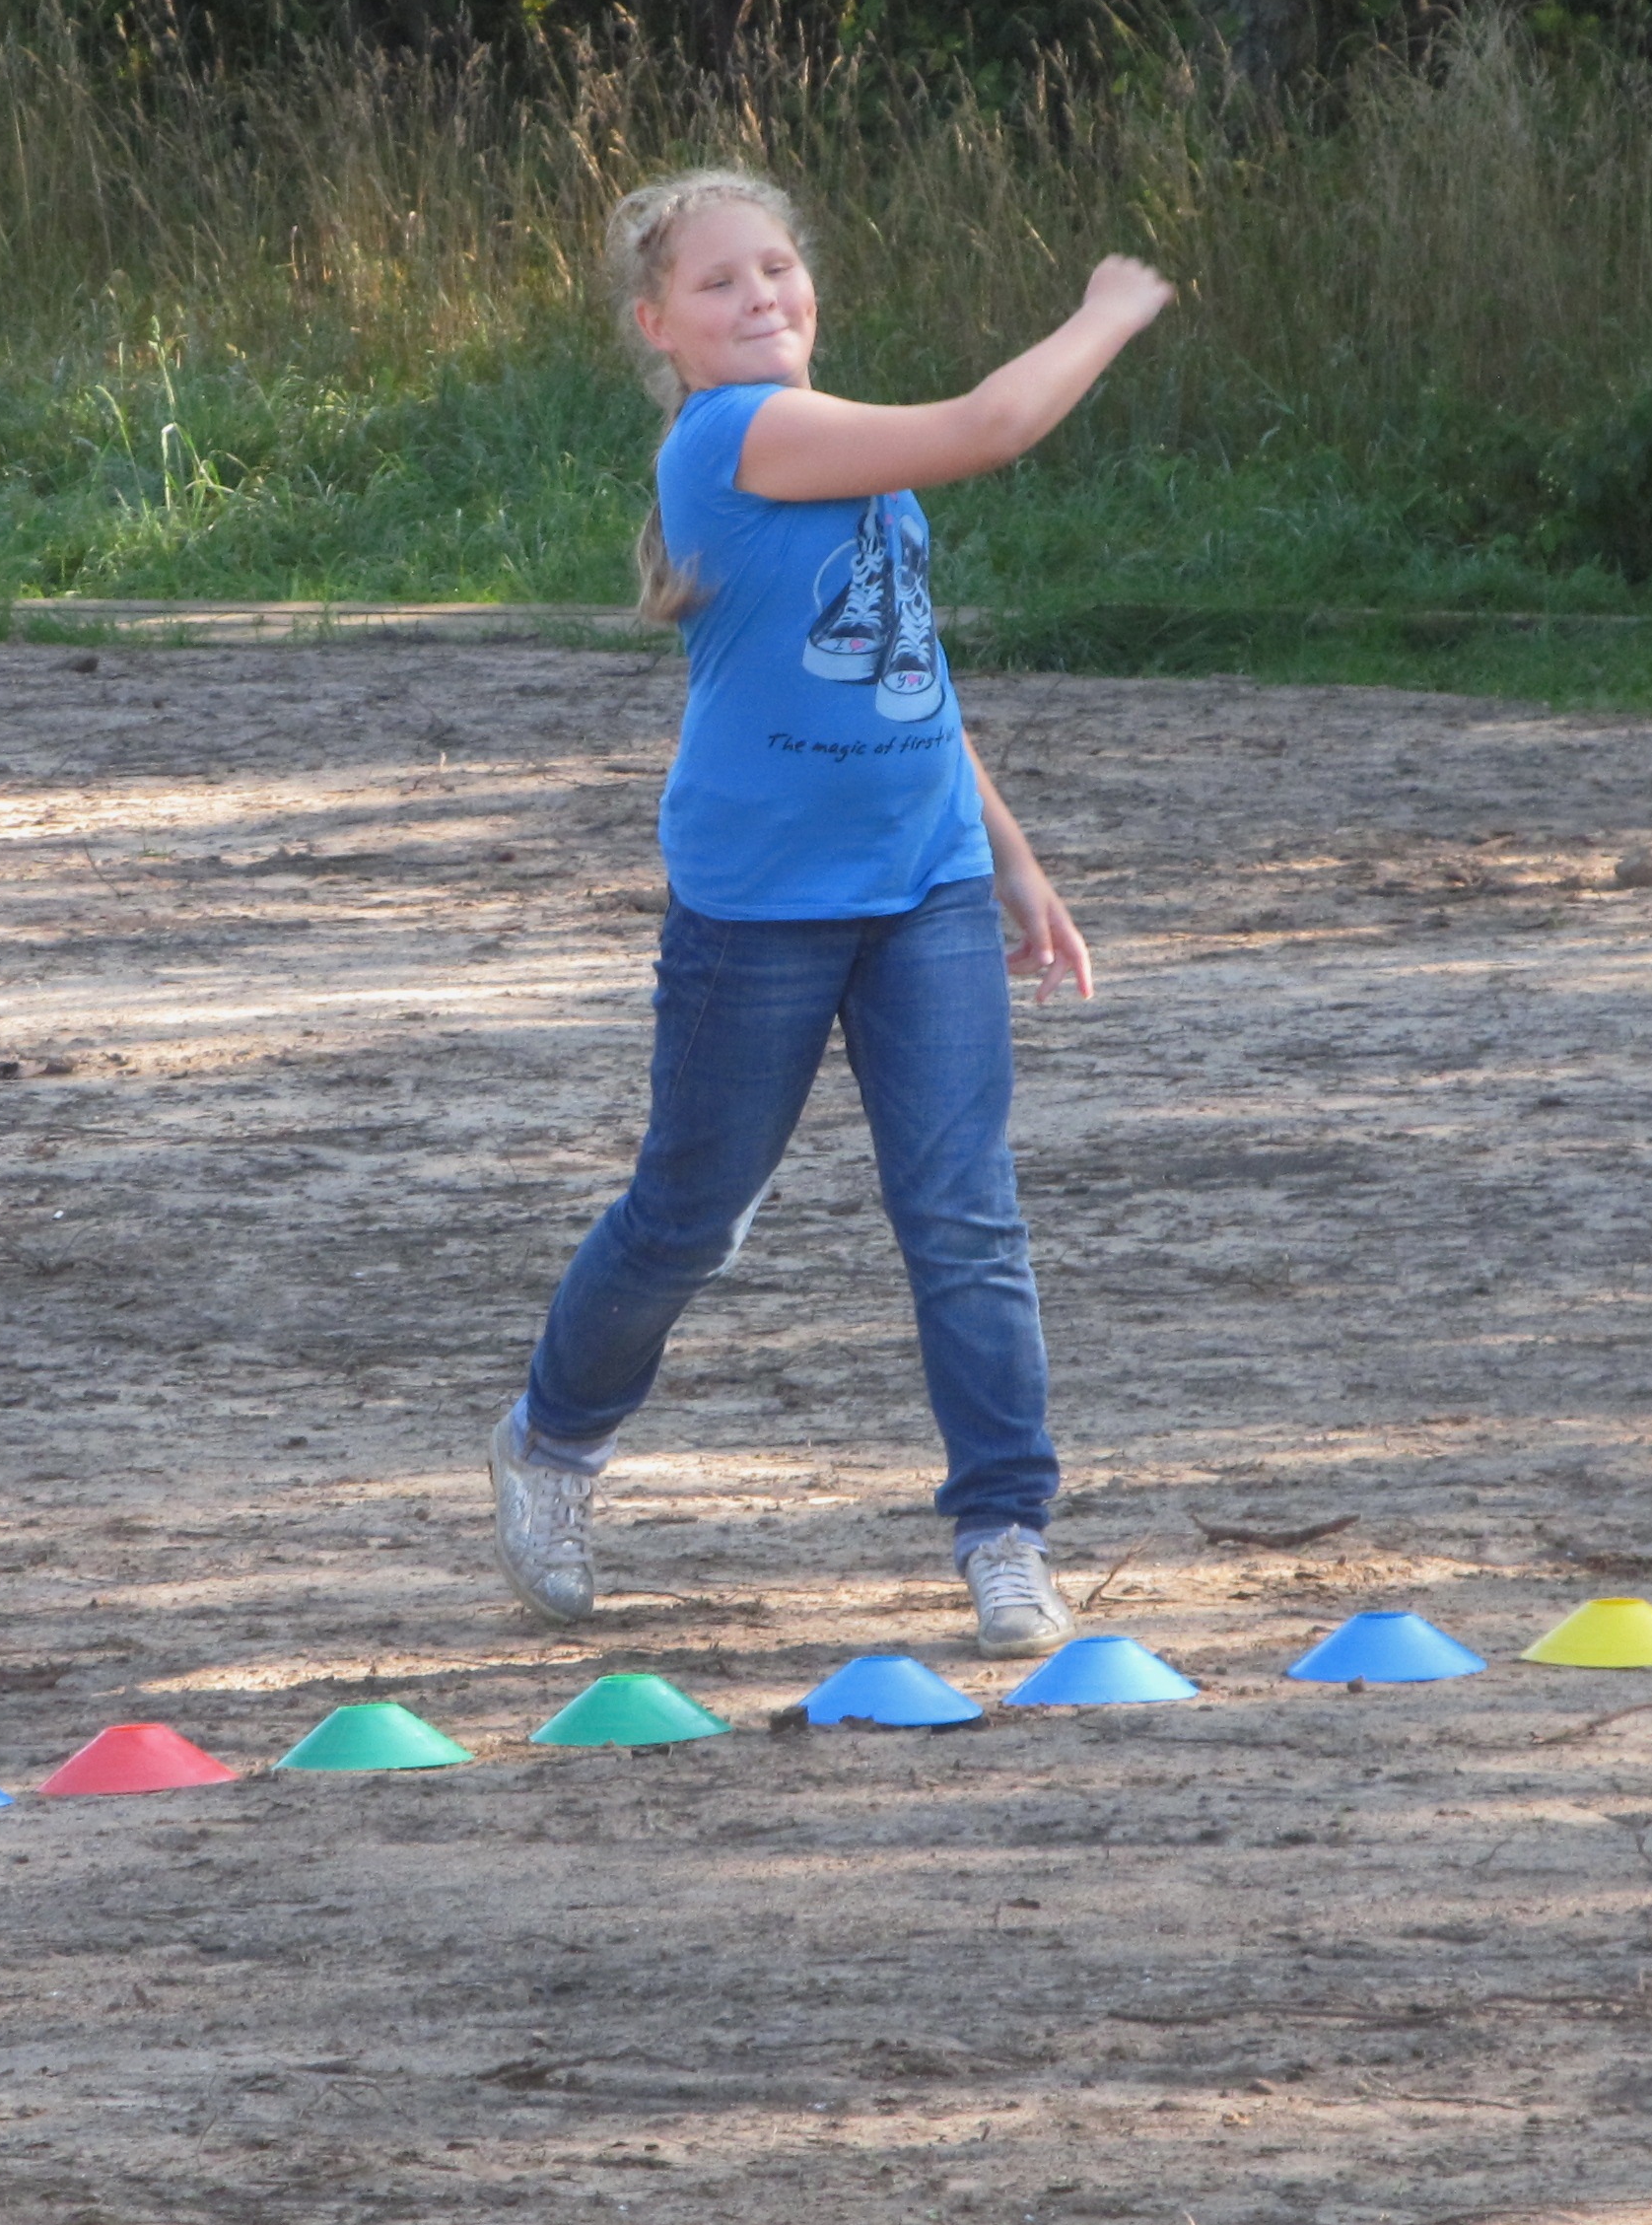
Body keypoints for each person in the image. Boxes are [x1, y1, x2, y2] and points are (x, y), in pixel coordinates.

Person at [488, 169, 1174, 1656]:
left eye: (779, 269)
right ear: (657, 325)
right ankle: (551, 1444)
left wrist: (1009, 853)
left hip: (921, 882)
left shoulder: (844, 443)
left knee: (964, 1215)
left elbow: (909, 669)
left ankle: (1004, 1529)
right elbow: (994, 424)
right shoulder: (735, 438)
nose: (762, 299)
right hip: (762, 908)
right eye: (721, 283)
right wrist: (1107, 312)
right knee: (689, 1218)